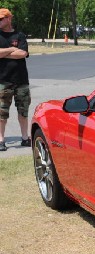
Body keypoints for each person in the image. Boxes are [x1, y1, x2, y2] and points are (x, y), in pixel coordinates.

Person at [0, 8, 31, 151]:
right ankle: (1, 140)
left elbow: (23, 53)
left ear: (8, 19)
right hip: (3, 80)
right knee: (1, 114)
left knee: (23, 112)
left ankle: (25, 138)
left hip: (21, 81)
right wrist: (12, 50)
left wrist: (4, 52)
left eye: (1, 19)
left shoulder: (20, 35)